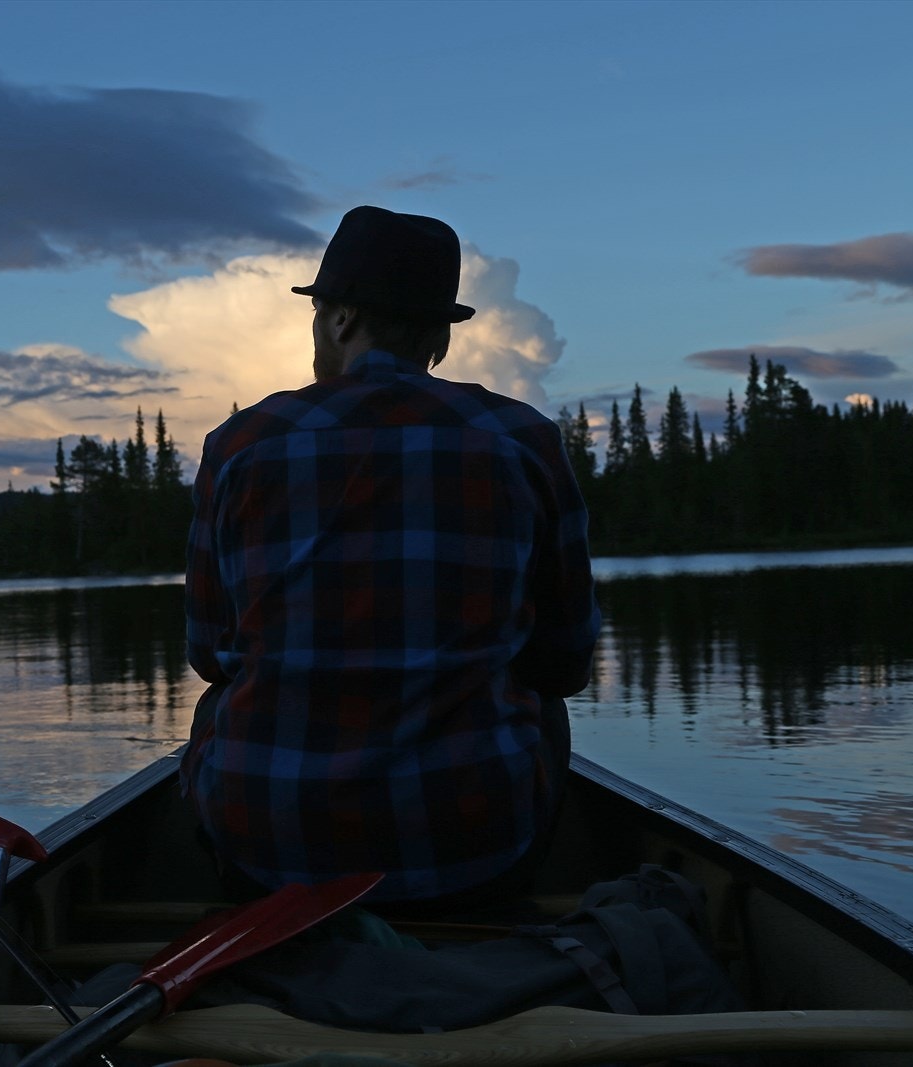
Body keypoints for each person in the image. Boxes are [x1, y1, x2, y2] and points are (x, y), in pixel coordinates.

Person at [180, 206, 600, 908]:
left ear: (340, 319)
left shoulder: (240, 444)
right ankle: (495, 912)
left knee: (217, 704)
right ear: (437, 332)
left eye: (317, 314)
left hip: (271, 851)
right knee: (545, 704)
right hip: (474, 845)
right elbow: (565, 662)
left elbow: (209, 653)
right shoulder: (523, 439)